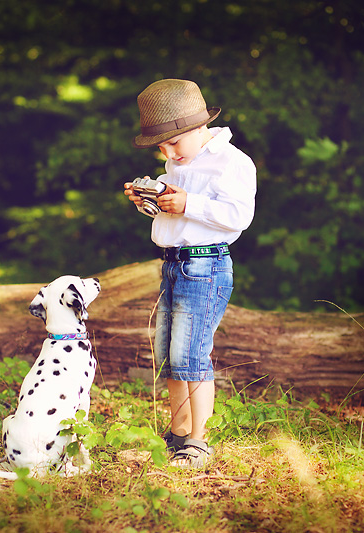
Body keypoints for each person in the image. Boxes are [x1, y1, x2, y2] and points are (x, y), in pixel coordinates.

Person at [123, 79, 256, 468]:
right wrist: (149, 201)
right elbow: (176, 217)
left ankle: (199, 441)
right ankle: (178, 433)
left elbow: (238, 216)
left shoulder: (232, 162)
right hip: (174, 264)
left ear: (199, 128)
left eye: (173, 143)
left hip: (206, 266)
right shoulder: (178, 161)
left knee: (192, 354)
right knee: (168, 354)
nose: (168, 152)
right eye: (161, 147)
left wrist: (188, 203)